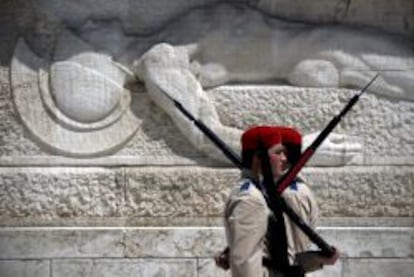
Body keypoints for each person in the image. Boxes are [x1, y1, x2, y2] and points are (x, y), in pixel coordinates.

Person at [215, 126, 340, 276]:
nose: (283, 158)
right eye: (278, 152)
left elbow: (288, 256)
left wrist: (317, 259)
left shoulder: (284, 195)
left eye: (284, 152)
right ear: (259, 157)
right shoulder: (252, 198)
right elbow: (249, 262)